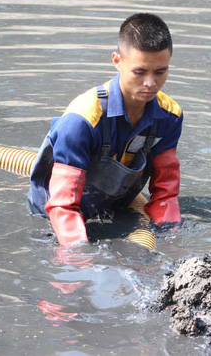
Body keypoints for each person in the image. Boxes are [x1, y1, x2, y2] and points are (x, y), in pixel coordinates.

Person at [27, 13, 183, 245]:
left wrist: (171, 237)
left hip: (114, 206)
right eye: (139, 72)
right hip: (54, 216)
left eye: (160, 72)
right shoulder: (82, 120)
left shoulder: (170, 116)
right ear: (117, 61)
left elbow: (165, 191)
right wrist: (78, 258)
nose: (151, 83)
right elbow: (63, 205)